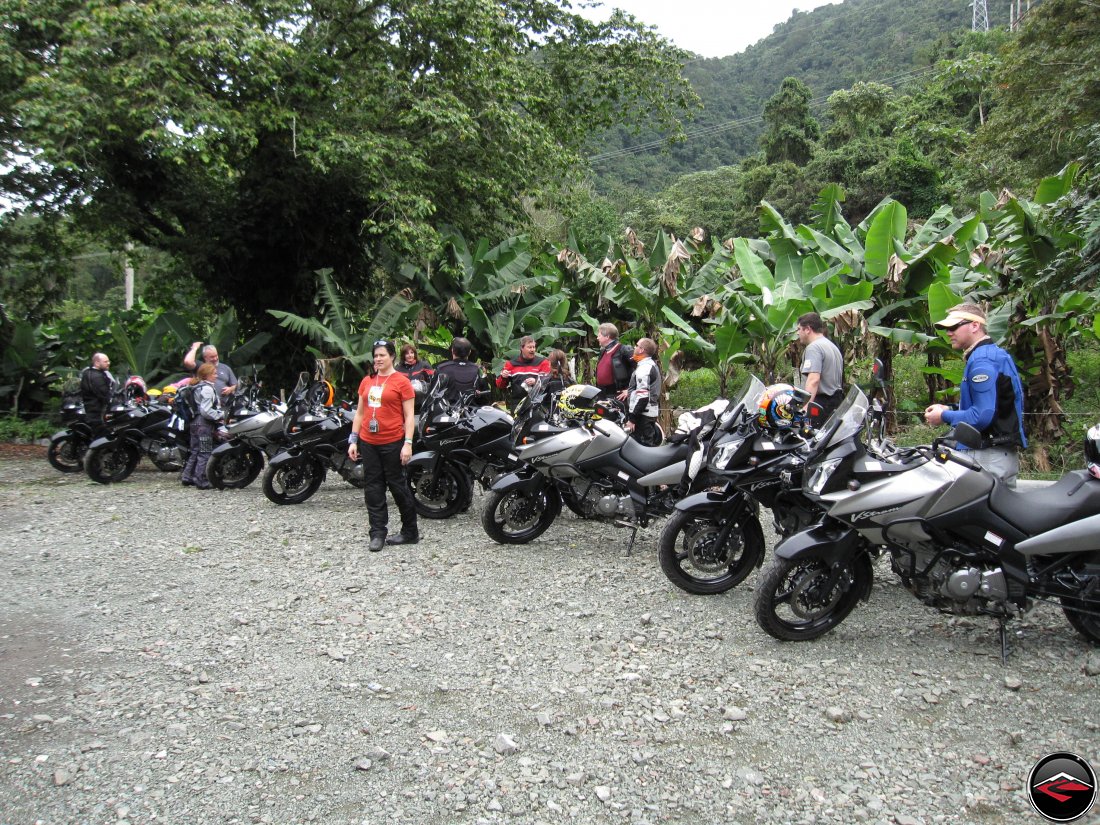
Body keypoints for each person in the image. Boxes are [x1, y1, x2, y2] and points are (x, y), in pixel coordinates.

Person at [924, 303, 1027, 488]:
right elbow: (995, 404)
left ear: (974, 325)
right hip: (998, 455)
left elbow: (981, 416)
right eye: (947, 328)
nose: (948, 333)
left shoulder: (982, 361)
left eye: (954, 327)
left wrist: (944, 416)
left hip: (987, 457)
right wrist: (951, 408)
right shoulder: (992, 354)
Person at [348, 340, 418, 551]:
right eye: (375, 355)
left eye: (382, 355)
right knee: (373, 488)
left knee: (398, 487)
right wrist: (353, 440)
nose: (378, 359)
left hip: (393, 442)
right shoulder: (367, 382)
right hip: (369, 442)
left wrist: (407, 444)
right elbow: (360, 413)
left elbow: (409, 416)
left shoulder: (401, 382)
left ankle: (410, 531)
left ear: (392, 357)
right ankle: (377, 533)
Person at [180, 363, 225, 489]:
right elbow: (206, 410)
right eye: (214, 373)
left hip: (194, 423)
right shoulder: (208, 389)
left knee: (195, 451)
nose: (216, 376)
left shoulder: (196, 386)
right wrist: (220, 415)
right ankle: (201, 480)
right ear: (207, 375)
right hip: (204, 425)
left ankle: (187, 476)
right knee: (205, 452)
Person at [796, 312, 844, 419]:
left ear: (808, 329)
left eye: (799, 329)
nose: (797, 333)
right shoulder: (831, 346)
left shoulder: (814, 348)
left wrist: (806, 408)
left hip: (820, 403)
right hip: (835, 401)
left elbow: (813, 380)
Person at [619, 337, 662, 447]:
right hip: (646, 413)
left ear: (642, 350)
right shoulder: (647, 365)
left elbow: (643, 397)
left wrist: (632, 419)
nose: (634, 347)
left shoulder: (645, 368)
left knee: (644, 446)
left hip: (643, 414)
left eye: (637, 345)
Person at [432, 337, 491, 405]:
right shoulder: (477, 370)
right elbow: (485, 398)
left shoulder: (442, 369)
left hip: (447, 413)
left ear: (452, 350)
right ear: (470, 352)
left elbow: (432, 395)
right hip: (472, 413)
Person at [496, 335, 551, 403]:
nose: (532, 350)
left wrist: (536, 382)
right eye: (529, 347)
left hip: (537, 403)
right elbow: (500, 385)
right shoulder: (511, 364)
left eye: (534, 347)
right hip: (517, 403)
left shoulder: (543, 363)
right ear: (522, 348)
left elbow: (549, 383)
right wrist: (503, 377)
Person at [79, 352, 117, 437]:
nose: (108, 363)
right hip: (97, 412)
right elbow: (105, 395)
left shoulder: (91, 372)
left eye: (108, 361)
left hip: (95, 410)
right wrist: (115, 401)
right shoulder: (96, 377)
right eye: (105, 362)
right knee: (104, 437)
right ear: (97, 362)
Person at [595, 323, 634, 398]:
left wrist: (630, 390)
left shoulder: (624, 350)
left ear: (607, 336)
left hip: (618, 395)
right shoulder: (603, 352)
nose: (597, 338)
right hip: (602, 394)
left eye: (599, 335)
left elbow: (640, 369)